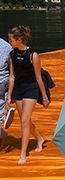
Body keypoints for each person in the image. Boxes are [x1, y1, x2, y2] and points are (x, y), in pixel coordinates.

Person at [7, 26, 49, 165]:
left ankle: (23, 154)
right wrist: (9, 96)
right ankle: (39, 138)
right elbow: (12, 76)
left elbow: (38, 78)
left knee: (24, 121)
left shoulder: (33, 55)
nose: (10, 42)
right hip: (18, 89)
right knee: (25, 121)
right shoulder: (12, 55)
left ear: (19, 40)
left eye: (11, 40)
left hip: (31, 89)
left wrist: (44, 97)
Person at [0, 37, 12, 147]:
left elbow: (12, 70)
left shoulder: (6, 47)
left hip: (2, 83)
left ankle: (2, 134)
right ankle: (2, 133)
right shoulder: (7, 46)